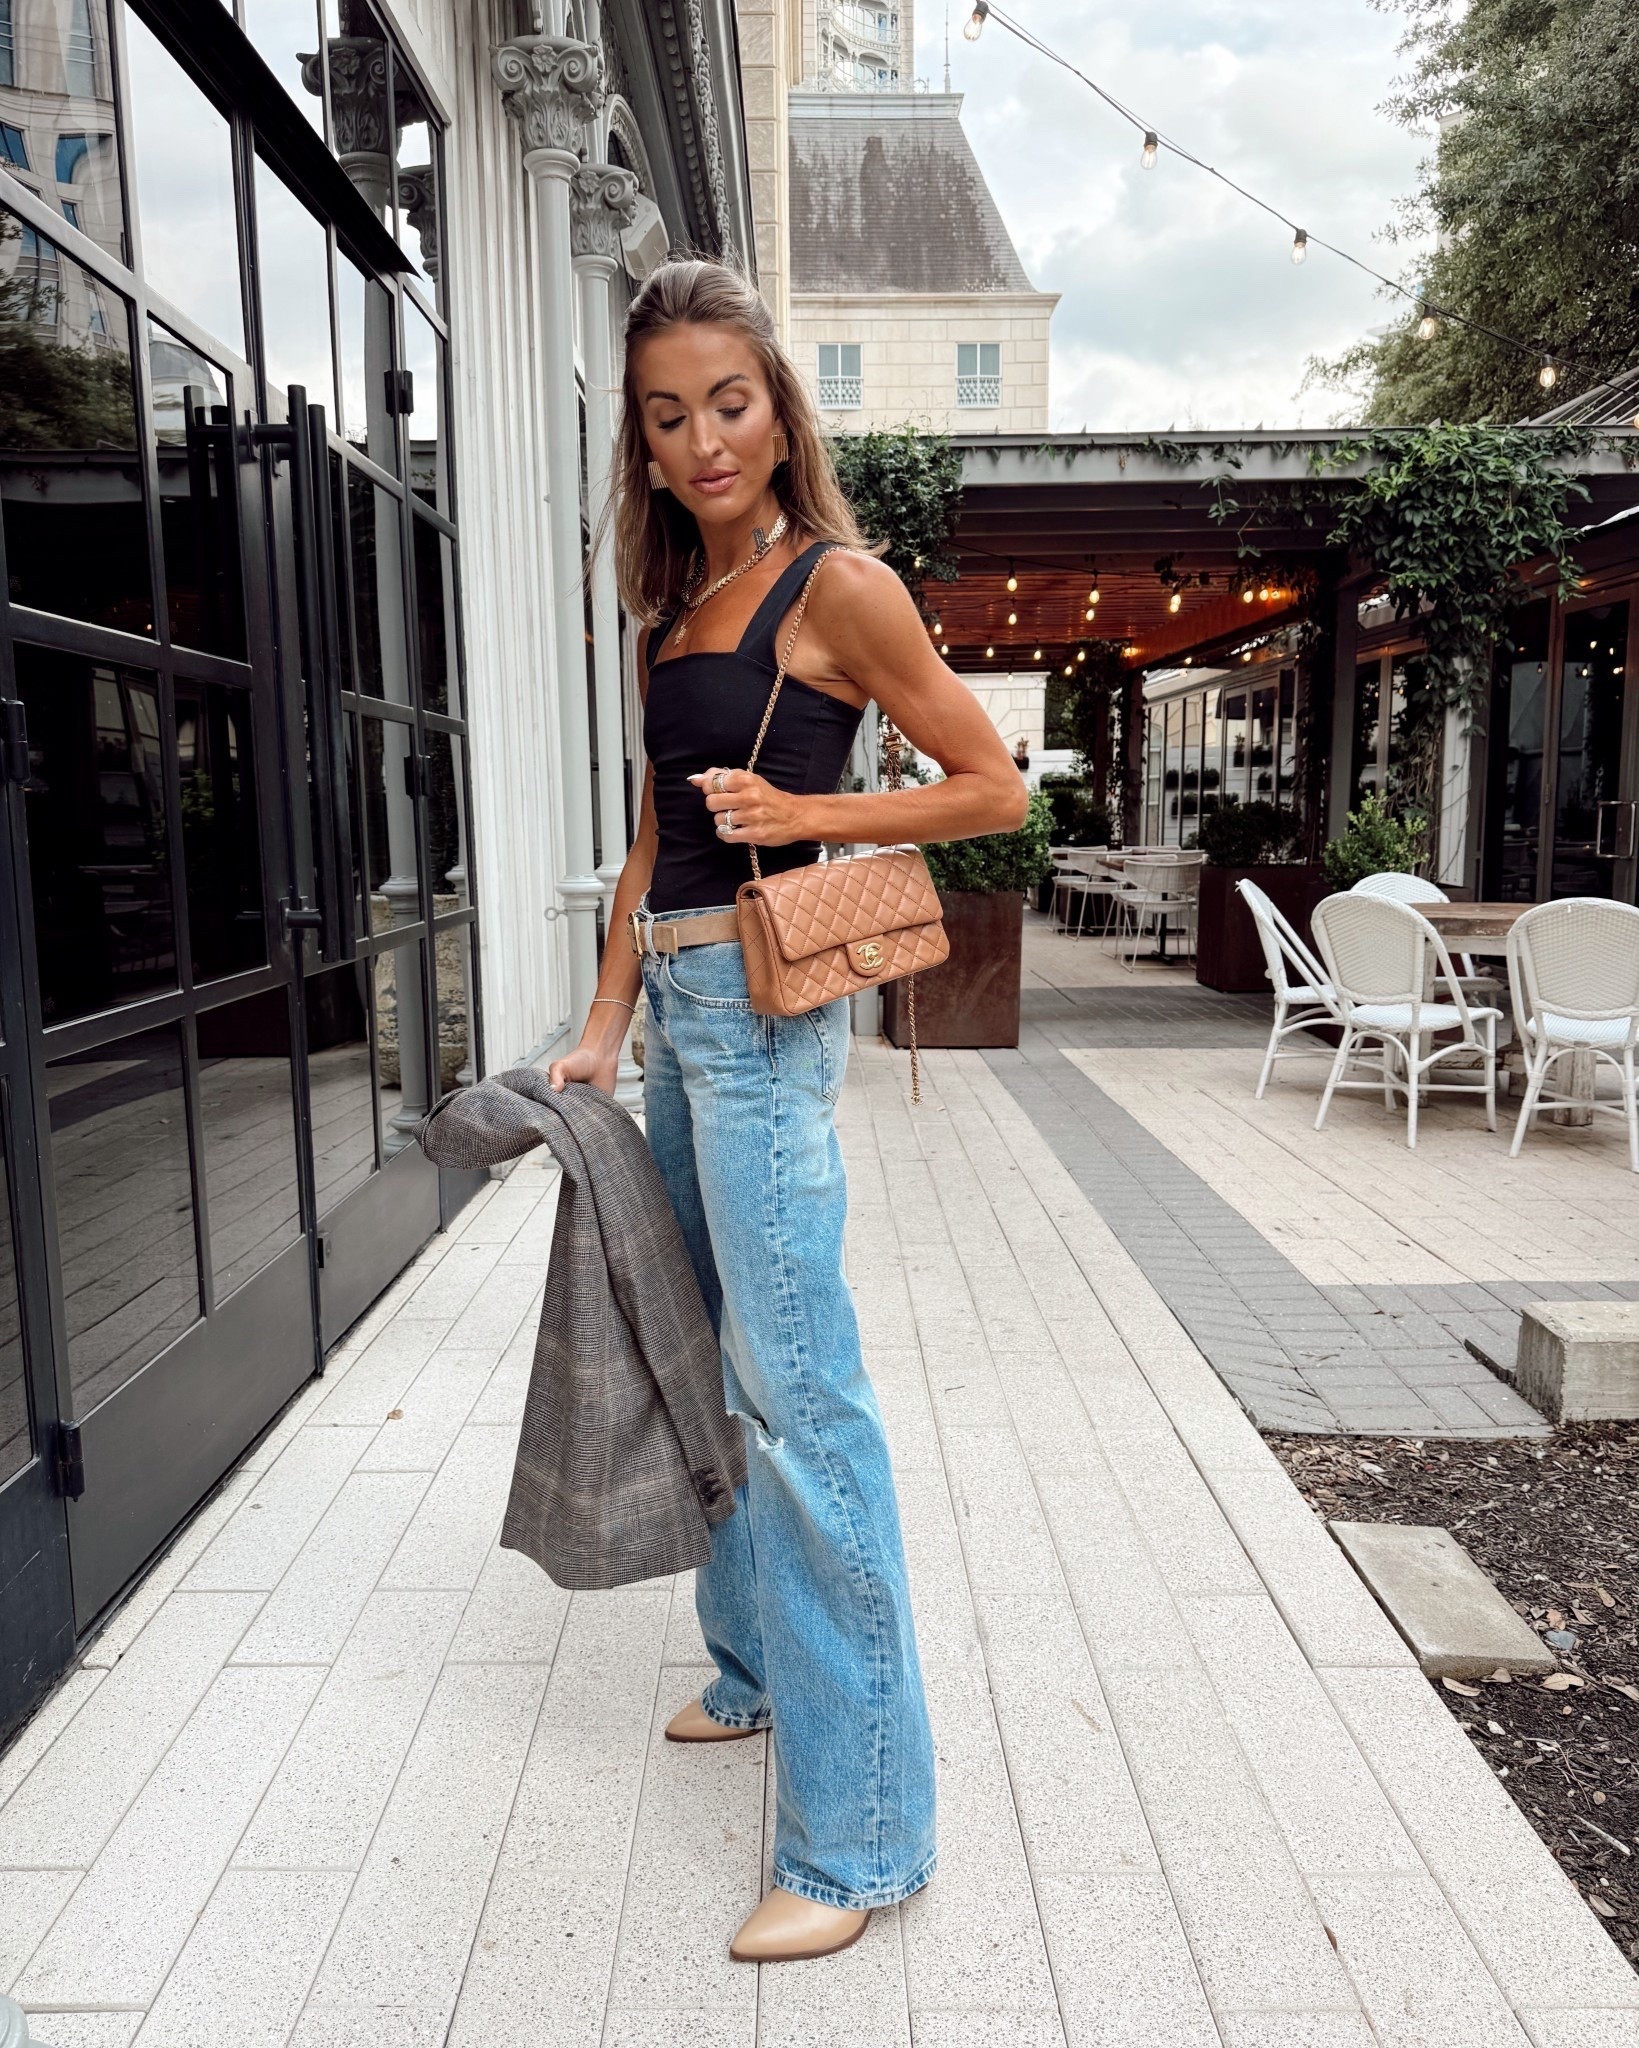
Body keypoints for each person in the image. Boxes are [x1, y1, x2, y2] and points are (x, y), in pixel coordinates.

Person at [548, 257, 1025, 1964]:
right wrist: (604, 1024)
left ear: (779, 405)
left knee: (802, 1400)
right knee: (703, 1358)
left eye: (728, 404)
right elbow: (645, 838)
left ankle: (864, 1838)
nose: (702, 440)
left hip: (762, 1024)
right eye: (669, 416)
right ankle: (750, 1669)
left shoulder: (841, 586)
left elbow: (993, 785)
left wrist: (823, 821)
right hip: (678, 1016)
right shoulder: (677, 602)